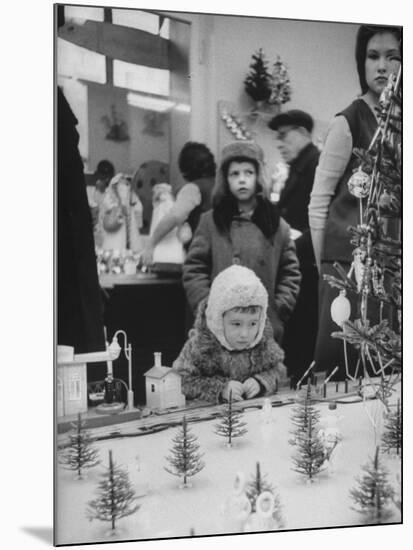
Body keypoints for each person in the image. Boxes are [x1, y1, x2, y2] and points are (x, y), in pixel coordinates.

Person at [308, 24, 402, 378]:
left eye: (392, 57)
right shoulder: (348, 122)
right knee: (342, 374)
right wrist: (328, 270)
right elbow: (318, 204)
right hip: (347, 269)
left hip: (393, 270)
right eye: (372, 56)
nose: (382, 66)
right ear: (361, 64)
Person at [183, 140, 301, 344]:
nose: (242, 180)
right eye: (234, 174)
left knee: (261, 375)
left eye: (248, 173)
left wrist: (277, 308)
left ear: (258, 177)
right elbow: (194, 268)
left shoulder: (276, 225)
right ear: (225, 180)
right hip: (218, 326)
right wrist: (207, 307)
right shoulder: (211, 221)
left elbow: (290, 272)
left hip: (264, 326)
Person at [173, 265, 287, 403]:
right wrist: (220, 388)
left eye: (253, 324)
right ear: (218, 320)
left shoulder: (263, 343)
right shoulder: (200, 347)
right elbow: (181, 380)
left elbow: (279, 371)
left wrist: (261, 382)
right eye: (236, 324)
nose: (245, 334)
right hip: (211, 419)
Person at [267, 110, 320, 382]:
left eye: (284, 135)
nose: (279, 143)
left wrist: (293, 245)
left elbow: (322, 217)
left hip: (306, 263)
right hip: (295, 262)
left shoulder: (316, 165)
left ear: (303, 132)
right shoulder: (298, 167)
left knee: (302, 333)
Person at [140, 141, 216, 266]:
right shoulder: (219, 184)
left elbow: (175, 216)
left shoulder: (192, 188)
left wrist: (151, 243)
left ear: (185, 168)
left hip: (203, 254)